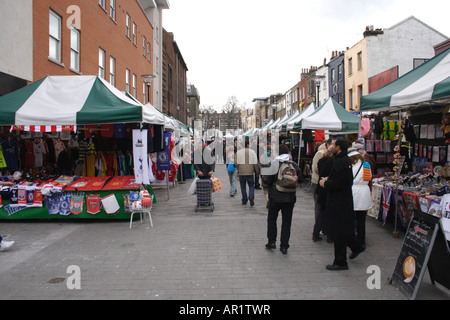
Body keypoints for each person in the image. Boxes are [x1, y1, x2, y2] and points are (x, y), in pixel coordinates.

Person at [319, 139, 364, 270]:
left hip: (339, 201)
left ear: (338, 147)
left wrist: (325, 184)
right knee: (343, 229)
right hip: (342, 200)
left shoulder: (340, 161)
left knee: (339, 231)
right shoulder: (343, 160)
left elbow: (340, 183)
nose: (330, 146)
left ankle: (340, 261)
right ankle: (356, 246)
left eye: (333, 144)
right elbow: (342, 179)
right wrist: (329, 179)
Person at [264, 144, 302, 254]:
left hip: (275, 196)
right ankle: (284, 245)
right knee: (287, 221)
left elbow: (266, 180)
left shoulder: (273, 164)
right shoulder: (293, 164)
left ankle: (272, 241)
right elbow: (301, 179)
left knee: (272, 219)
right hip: (290, 197)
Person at [348, 148, 372, 249]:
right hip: (365, 192)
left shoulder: (352, 167)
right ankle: (362, 240)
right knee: (362, 219)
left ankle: (354, 239)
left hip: (355, 192)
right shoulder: (366, 166)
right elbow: (369, 177)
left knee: (353, 218)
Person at [311, 138, 335, 241]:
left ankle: (317, 232)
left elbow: (318, 168)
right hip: (326, 186)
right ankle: (329, 234)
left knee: (321, 210)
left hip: (321, 187)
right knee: (328, 211)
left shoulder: (322, 160)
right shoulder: (332, 160)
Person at [236, 139, 259, 206]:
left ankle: (244, 199)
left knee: (243, 187)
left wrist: (238, 168)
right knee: (251, 185)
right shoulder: (252, 152)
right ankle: (251, 196)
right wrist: (257, 171)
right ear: (247, 145)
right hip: (250, 172)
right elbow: (255, 162)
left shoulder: (239, 152)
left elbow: (235, 163)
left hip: (241, 172)